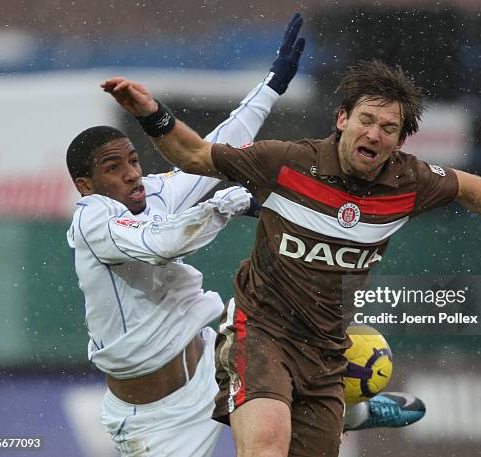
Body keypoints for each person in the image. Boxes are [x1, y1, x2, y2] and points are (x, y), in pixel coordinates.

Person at [102, 25, 481, 456]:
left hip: (328, 352)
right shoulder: (287, 162)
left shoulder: (410, 180)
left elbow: (469, 185)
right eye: (366, 119)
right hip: (261, 331)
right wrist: (151, 113)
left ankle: (357, 413)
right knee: (266, 446)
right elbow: (196, 155)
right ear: (342, 118)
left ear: (400, 141)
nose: (375, 134)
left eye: (389, 129)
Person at [66, 14, 305, 457]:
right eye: (112, 168)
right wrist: (224, 204)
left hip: (210, 369)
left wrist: (270, 88)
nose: (132, 175)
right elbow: (160, 244)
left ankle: (348, 402)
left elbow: (218, 150)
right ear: (86, 186)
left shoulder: (153, 192)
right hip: (155, 421)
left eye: (133, 161)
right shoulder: (92, 221)